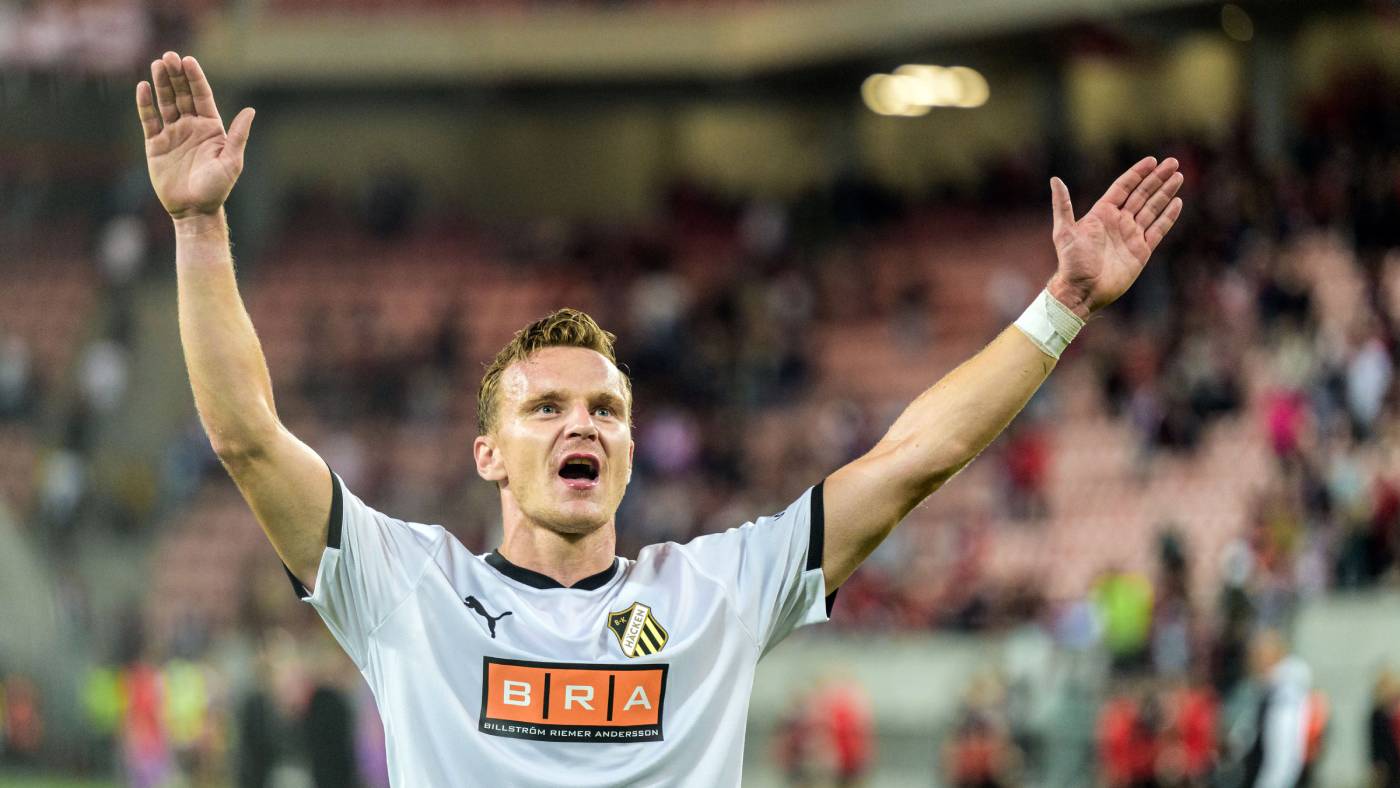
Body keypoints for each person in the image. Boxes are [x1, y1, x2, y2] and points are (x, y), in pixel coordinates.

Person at [135, 50, 1184, 785]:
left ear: (632, 449)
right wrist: (198, 225)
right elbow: (247, 436)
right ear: (488, 453)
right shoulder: (407, 587)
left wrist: (1062, 307)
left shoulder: (717, 590)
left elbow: (914, 457)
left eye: (605, 408)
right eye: (546, 406)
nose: (580, 424)